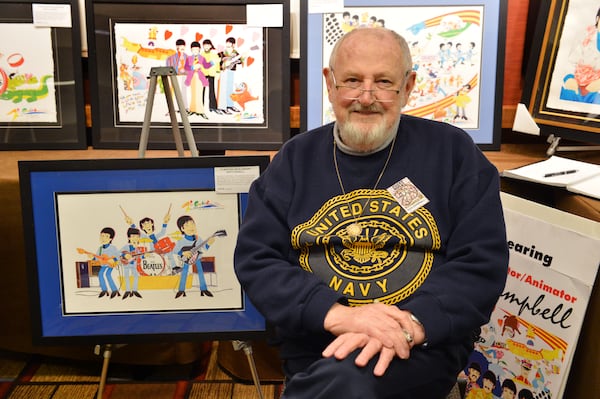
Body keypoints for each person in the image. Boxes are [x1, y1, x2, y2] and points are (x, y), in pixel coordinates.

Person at [234, 27, 508, 399]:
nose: (366, 97)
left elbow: (482, 262)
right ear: (329, 84)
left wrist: (408, 324)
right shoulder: (295, 159)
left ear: (408, 86)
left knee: (352, 382)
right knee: (342, 380)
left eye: (383, 82)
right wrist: (340, 316)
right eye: (352, 81)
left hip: (418, 343)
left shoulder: (454, 153)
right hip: (317, 339)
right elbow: (256, 258)